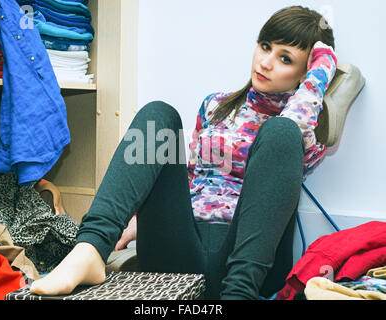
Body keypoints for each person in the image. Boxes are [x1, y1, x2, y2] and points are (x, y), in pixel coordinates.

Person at [29, 5, 337, 299]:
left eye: (286, 59)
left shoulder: (305, 130)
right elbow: (190, 179)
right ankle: (89, 250)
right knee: (158, 115)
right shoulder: (215, 105)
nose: (266, 62)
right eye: (265, 46)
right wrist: (136, 222)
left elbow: (294, 125)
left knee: (281, 133)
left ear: (306, 73)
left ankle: (238, 295)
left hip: (249, 267)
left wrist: (322, 66)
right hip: (181, 253)